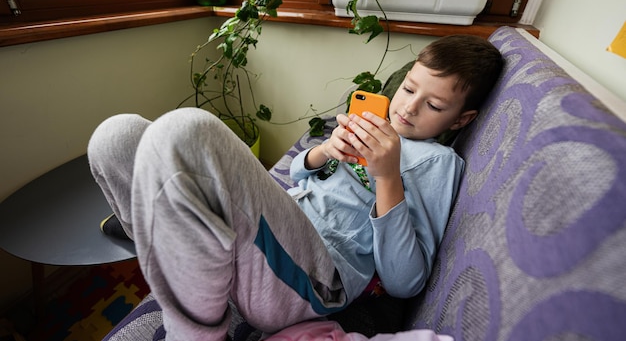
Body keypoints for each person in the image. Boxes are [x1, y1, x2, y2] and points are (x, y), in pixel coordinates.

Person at [88, 35, 504, 341]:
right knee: (116, 136)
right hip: (272, 236)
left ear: (461, 120)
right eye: (409, 88)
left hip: (319, 276)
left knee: (187, 131)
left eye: (433, 105)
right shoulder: (373, 123)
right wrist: (323, 153)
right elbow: (303, 181)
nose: (408, 107)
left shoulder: (439, 163)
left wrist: (387, 178)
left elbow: (405, 281)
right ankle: (158, 230)